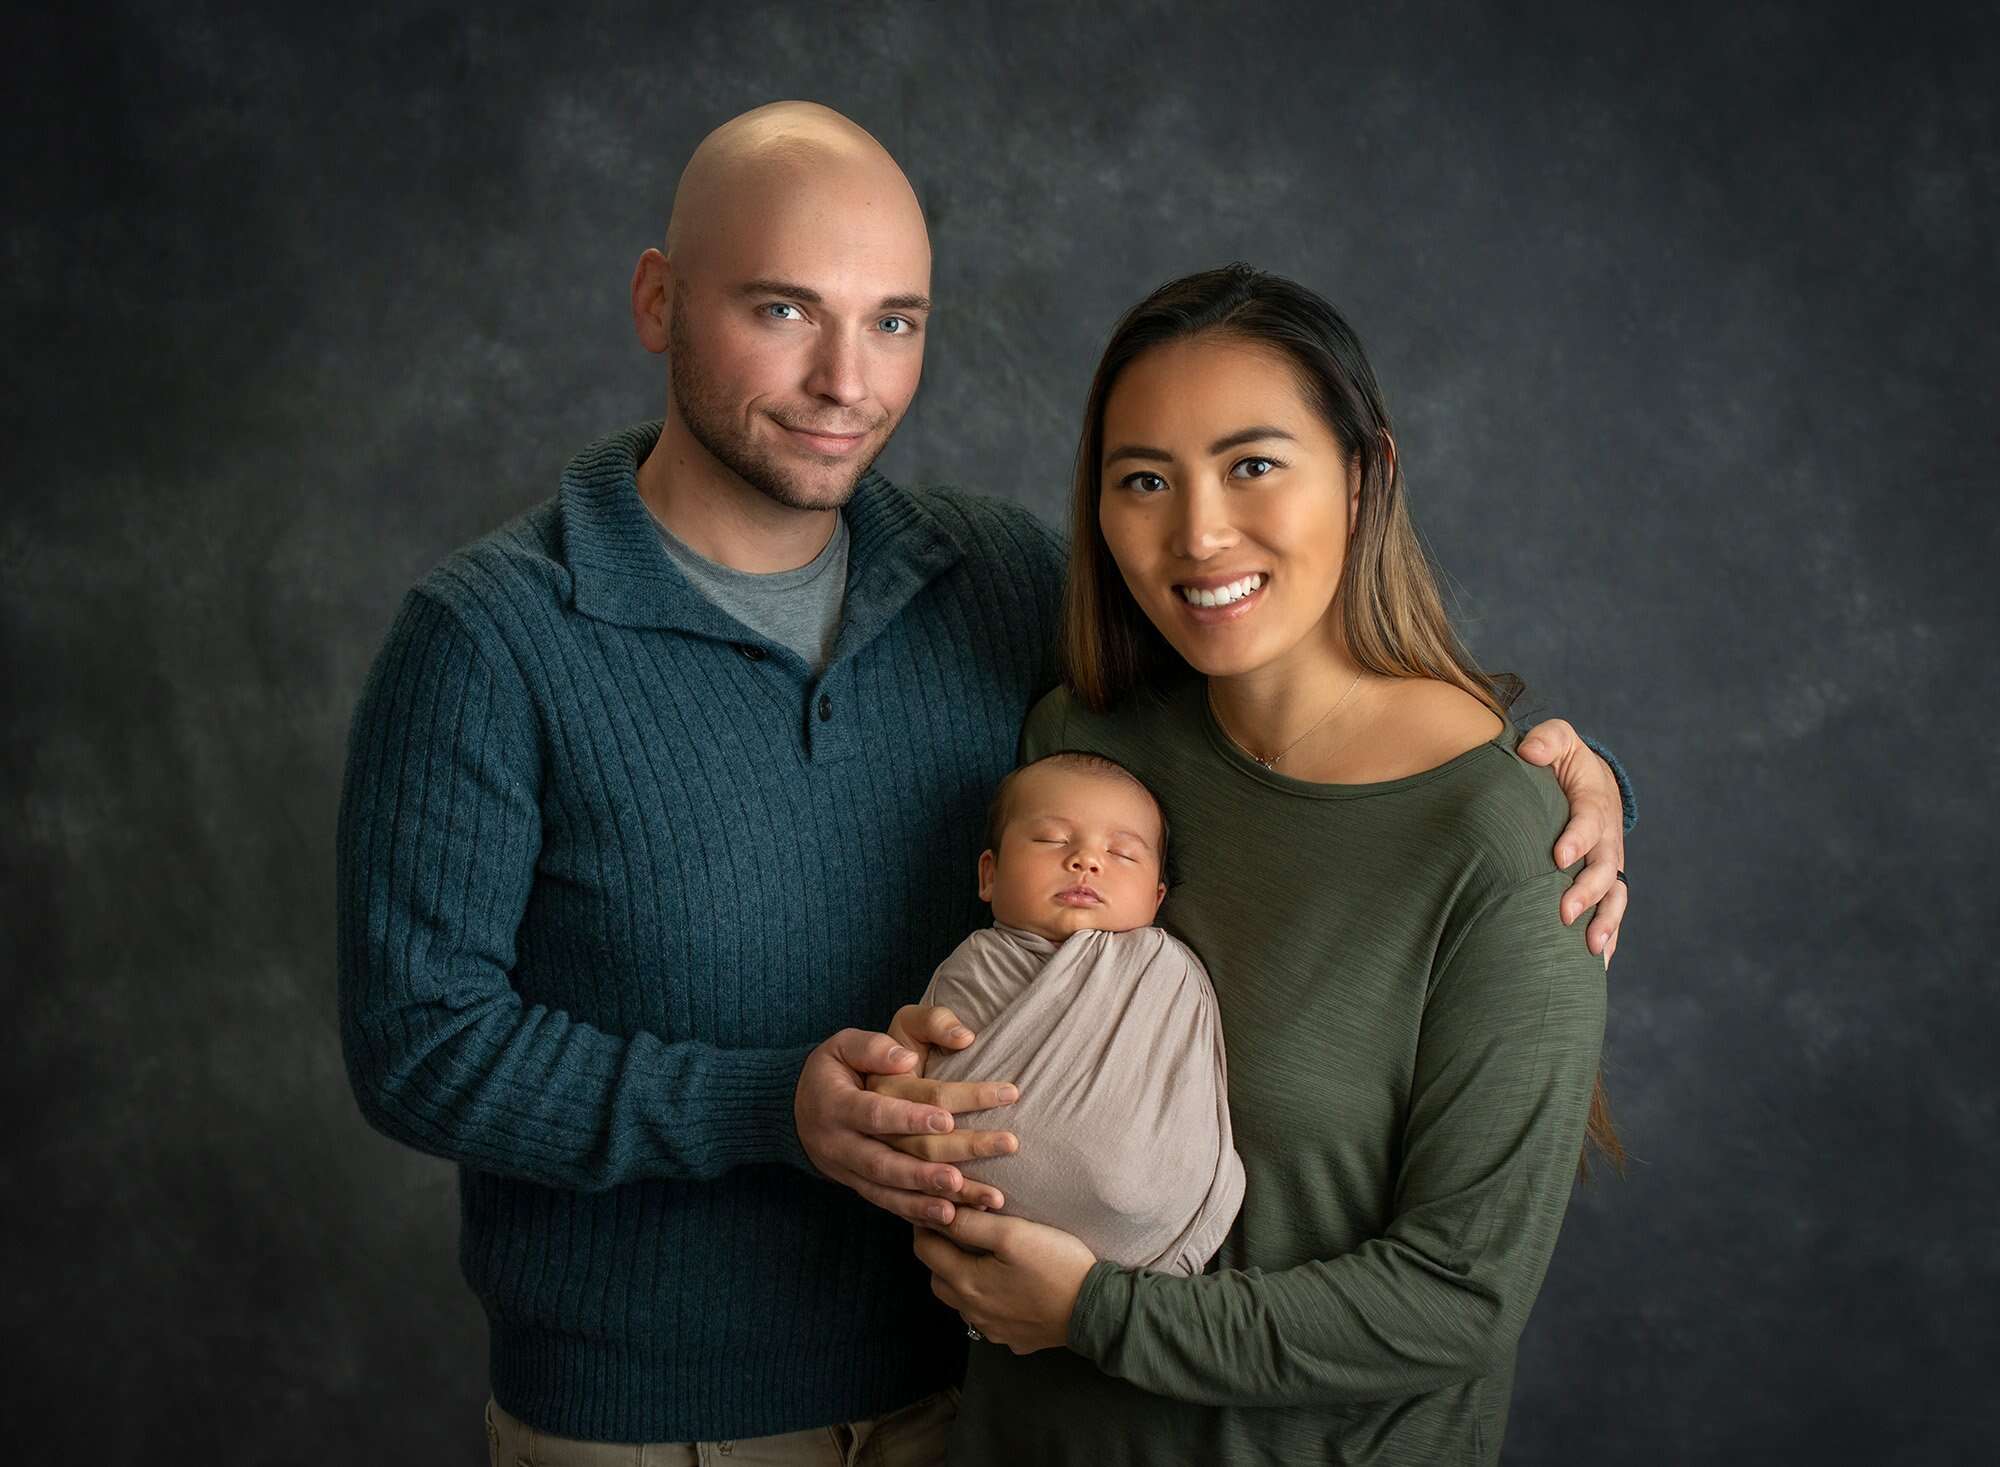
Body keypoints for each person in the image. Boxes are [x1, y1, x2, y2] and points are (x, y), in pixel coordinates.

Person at [334, 97, 1633, 1462]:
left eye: (895, 319)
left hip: (974, 1397)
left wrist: (1556, 778)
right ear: (659, 302)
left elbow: (1282, 683)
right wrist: (765, 1103)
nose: (850, 378)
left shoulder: (994, 583)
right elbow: (418, 1042)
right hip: (667, 1418)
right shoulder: (490, 638)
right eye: (784, 310)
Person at [910, 264, 1625, 1465]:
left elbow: (1460, 1293)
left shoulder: (1506, 837)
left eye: (1251, 464)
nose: (1194, 534)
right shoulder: (1081, 746)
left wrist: (1096, 1314)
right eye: (1142, 480)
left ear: (1363, 474)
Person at [910, 751, 1244, 1275]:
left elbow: (1185, 1094)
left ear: (1156, 899)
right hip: (977, 1224)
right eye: (1052, 840)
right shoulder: (971, 968)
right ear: (989, 873)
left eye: (1122, 854)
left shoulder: (1163, 972)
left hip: (1146, 1248)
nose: (1086, 860)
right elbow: (926, 1090)